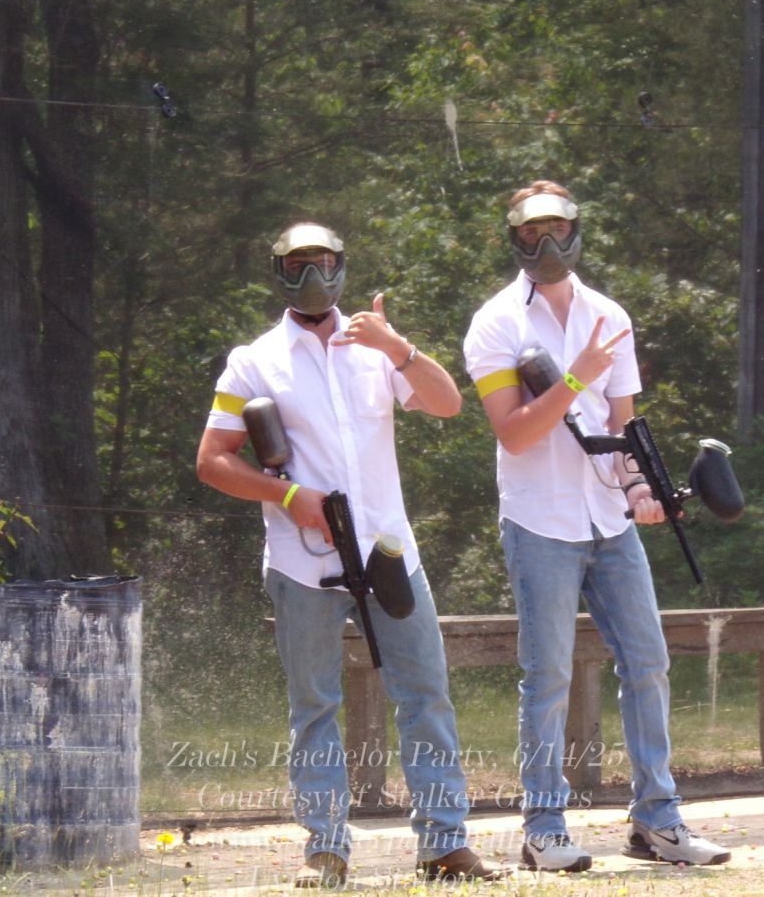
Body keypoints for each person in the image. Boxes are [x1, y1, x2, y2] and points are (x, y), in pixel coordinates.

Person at [197, 222, 503, 888]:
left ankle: (444, 846)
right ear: (279, 273)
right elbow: (213, 460)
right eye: (297, 264)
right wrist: (288, 496)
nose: (312, 275)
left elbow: (448, 404)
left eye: (323, 261)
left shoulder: (375, 346)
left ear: (341, 267)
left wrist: (398, 347)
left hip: (389, 552)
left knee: (425, 695)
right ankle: (326, 851)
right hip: (301, 560)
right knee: (314, 705)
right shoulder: (253, 361)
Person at [462, 181, 731, 869]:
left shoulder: (608, 315)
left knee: (648, 663)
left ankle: (656, 821)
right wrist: (576, 378)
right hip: (539, 519)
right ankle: (543, 830)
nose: (545, 243)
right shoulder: (494, 324)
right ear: (513, 238)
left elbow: (622, 427)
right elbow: (515, 433)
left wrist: (641, 489)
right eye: (531, 232)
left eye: (556, 228)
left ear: (576, 230)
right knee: (547, 676)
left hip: (610, 521)